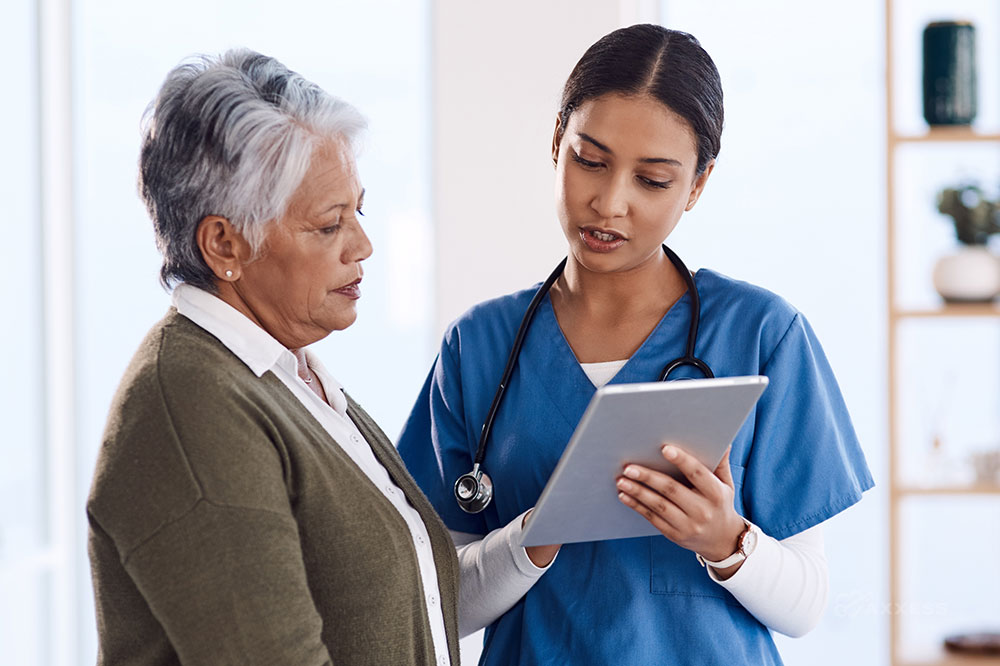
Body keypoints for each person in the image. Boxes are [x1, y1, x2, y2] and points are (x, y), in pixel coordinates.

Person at [397, 24, 873, 665]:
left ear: (697, 186)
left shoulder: (762, 334)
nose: (608, 202)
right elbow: (436, 601)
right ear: (556, 141)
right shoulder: (478, 347)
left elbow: (807, 605)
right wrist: (532, 540)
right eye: (589, 160)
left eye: (652, 181)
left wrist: (724, 539)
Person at [86, 49, 459, 666]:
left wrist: (537, 539)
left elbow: (406, 602)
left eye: (357, 212)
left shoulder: (288, 377)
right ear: (224, 242)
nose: (363, 245)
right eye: (328, 225)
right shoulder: (191, 405)